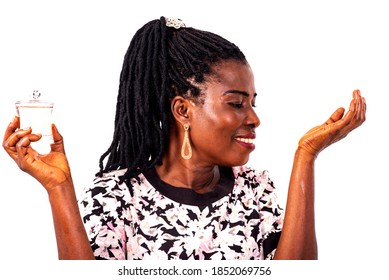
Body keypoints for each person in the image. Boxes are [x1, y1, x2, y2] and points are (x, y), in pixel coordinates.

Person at [2, 17, 366, 260]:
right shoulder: (118, 195)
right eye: (237, 103)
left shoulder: (255, 190)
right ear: (182, 111)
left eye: (253, 103)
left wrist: (307, 155)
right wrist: (58, 188)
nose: (253, 118)